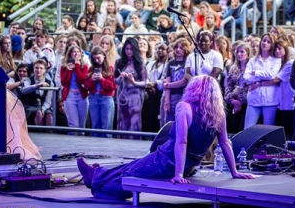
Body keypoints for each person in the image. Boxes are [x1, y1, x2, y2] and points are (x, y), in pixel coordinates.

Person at [77, 76, 255, 199]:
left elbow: (182, 141)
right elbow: (225, 142)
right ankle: (95, 173)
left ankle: (99, 186)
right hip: (188, 164)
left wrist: (177, 173)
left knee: (130, 174)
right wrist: (234, 171)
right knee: (131, 166)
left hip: (167, 160)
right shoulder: (218, 114)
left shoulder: (185, 107)